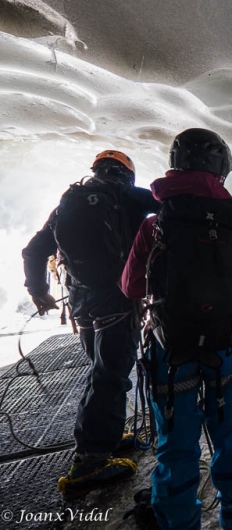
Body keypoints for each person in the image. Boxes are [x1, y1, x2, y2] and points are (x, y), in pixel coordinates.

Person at [120, 128, 232, 530]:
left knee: (177, 444)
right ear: (221, 168)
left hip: (171, 344)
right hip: (226, 340)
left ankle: (177, 520)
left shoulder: (155, 223)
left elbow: (130, 286)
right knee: (230, 432)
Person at [21, 150, 159, 500]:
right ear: (127, 174)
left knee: (102, 372)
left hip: (81, 306)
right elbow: (172, 211)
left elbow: (34, 251)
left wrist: (38, 290)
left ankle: (107, 437)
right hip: (117, 303)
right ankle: (91, 461)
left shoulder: (70, 200)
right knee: (109, 375)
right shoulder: (130, 196)